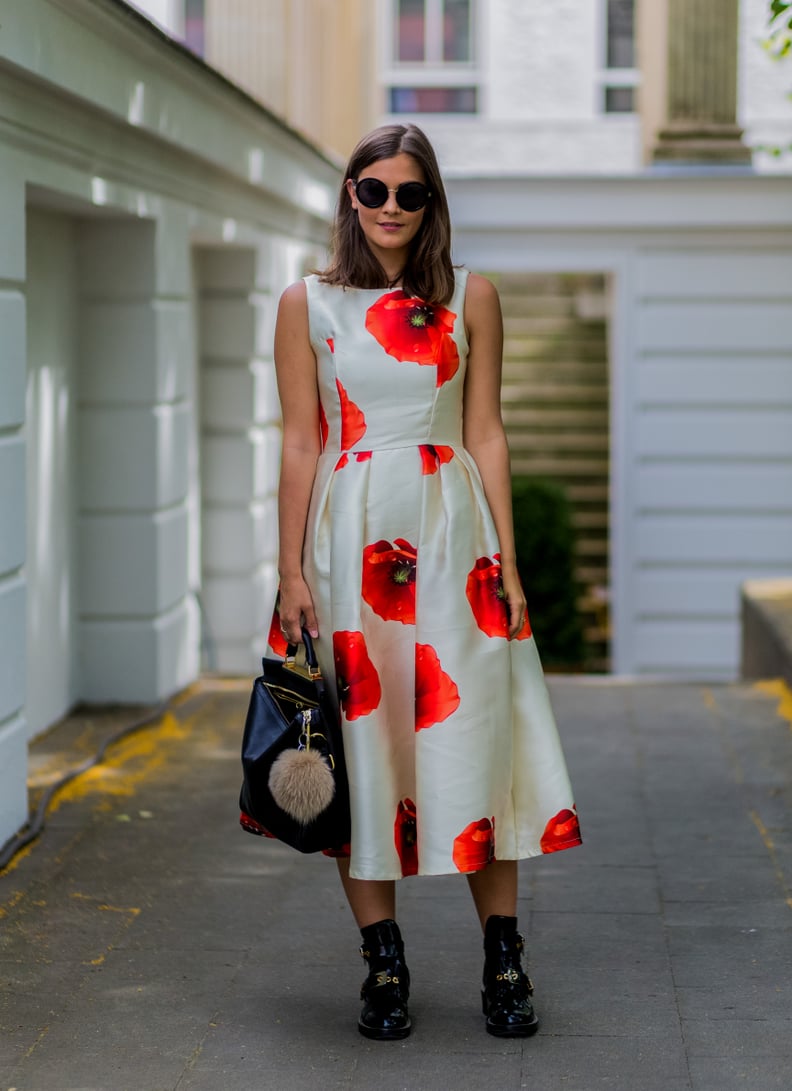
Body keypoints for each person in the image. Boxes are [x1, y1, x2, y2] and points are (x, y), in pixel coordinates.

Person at [270, 123, 581, 1041]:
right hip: (348, 536)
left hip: (457, 541)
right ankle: (384, 965)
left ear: (432, 202)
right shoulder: (306, 303)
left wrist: (512, 564)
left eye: (411, 193)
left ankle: (505, 958)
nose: (392, 209)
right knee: (360, 752)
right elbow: (300, 438)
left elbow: (486, 431)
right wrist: (289, 567)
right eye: (375, 190)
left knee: (478, 735)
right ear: (350, 197)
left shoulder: (471, 297)